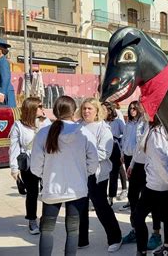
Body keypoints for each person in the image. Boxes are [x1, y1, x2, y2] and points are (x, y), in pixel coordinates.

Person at [30, 96, 99, 256]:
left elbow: (35, 165)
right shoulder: (84, 132)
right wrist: (82, 174)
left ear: (54, 111)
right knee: (73, 230)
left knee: (47, 229)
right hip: (77, 188)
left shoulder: (43, 133)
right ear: (74, 111)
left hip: (52, 188)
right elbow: (93, 162)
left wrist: (46, 175)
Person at [133, 115, 168, 256]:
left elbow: (161, 163)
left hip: (158, 183)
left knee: (138, 218)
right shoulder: (160, 129)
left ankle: (142, 251)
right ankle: (167, 248)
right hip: (161, 182)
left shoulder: (156, 134)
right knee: (166, 216)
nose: (142, 110)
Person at [77, 98, 123, 252]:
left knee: (101, 207)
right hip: (79, 173)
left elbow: (104, 153)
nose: (86, 111)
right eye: (84, 108)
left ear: (97, 111)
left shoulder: (104, 129)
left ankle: (115, 237)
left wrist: (82, 156)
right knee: (80, 207)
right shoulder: (78, 126)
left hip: (96, 175)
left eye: (90, 108)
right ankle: (82, 239)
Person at [121, 102, 163, 251]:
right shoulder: (138, 122)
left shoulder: (155, 125)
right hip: (137, 165)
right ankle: (136, 229)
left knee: (152, 202)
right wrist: (131, 165)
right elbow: (138, 146)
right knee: (132, 197)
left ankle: (156, 234)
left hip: (150, 167)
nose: (139, 107)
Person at [9, 97, 51, 235]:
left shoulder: (46, 123)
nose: (42, 108)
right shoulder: (18, 125)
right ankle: (32, 220)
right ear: (31, 109)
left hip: (46, 163)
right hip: (28, 164)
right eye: (39, 106)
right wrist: (14, 168)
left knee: (47, 192)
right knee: (32, 194)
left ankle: (46, 219)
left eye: (42, 105)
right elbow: (14, 148)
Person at [102, 101, 127, 205]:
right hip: (102, 148)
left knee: (113, 174)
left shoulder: (118, 122)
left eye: (105, 110)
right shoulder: (101, 122)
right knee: (102, 173)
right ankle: (102, 196)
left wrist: (121, 148)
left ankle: (111, 197)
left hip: (115, 148)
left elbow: (125, 135)